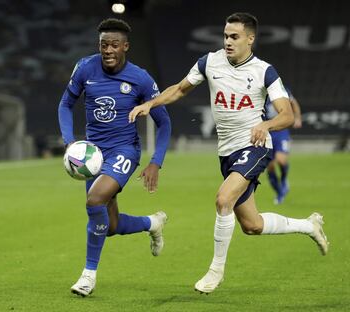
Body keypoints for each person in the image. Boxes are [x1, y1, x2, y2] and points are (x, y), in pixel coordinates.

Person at [129, 12, 329, 294]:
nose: (228, 42)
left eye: (234, 37)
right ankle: (309, 226)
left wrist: (266, 124)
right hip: (227, 153)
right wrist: (151, 104)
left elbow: (286, 114)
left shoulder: (264, 71)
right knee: (252, 225)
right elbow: (180, 89)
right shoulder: (210, 62)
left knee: (223, 199)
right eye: (225, 36)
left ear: (250, 39)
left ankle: (215, 271)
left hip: (255, 147)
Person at [58, 18, 171, 297]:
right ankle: (152, 223)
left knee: (94, 200)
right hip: (93, 155)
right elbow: (65, 104)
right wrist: (70, 142)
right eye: (103, 45)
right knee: (109, 226)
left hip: (124, 151)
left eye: (114, 45)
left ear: (125, 47)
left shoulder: (141, 78)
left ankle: (88, 275)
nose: (107, 50)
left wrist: (155, 161)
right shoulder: (85, 67)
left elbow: (164, 122)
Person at [265, 87, 302, 204]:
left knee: (281, 160)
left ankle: (284, 179)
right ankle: (280, 193)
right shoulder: (258, 90)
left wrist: (297, 118)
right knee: (270, 166)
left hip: (281, 130)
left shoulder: (281, 90)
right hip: (266, 130)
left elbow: (293, 102)